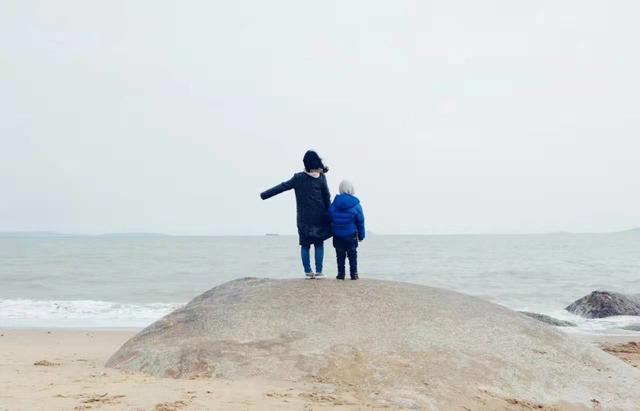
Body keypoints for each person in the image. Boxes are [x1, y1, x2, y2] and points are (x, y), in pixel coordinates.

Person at [260, 150, 332, 279]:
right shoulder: (321, 177)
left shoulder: (298, 178)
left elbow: (282, 186)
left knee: (305, 245)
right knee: (318, 244)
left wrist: (264, 195)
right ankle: (319, 272)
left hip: (303, 218)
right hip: (320, 216)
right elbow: (327, 197)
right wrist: (330, 213)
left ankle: (308, 272)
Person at [329, 180, 365, 280]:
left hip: (337, 234)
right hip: (351, 234)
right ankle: (354, 274)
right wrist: (361, 236)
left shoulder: (334, 204)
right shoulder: (356, 205)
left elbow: (330, 216)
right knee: (352, 254)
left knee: (340, 255)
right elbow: (360, 221)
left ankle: (341, 274)